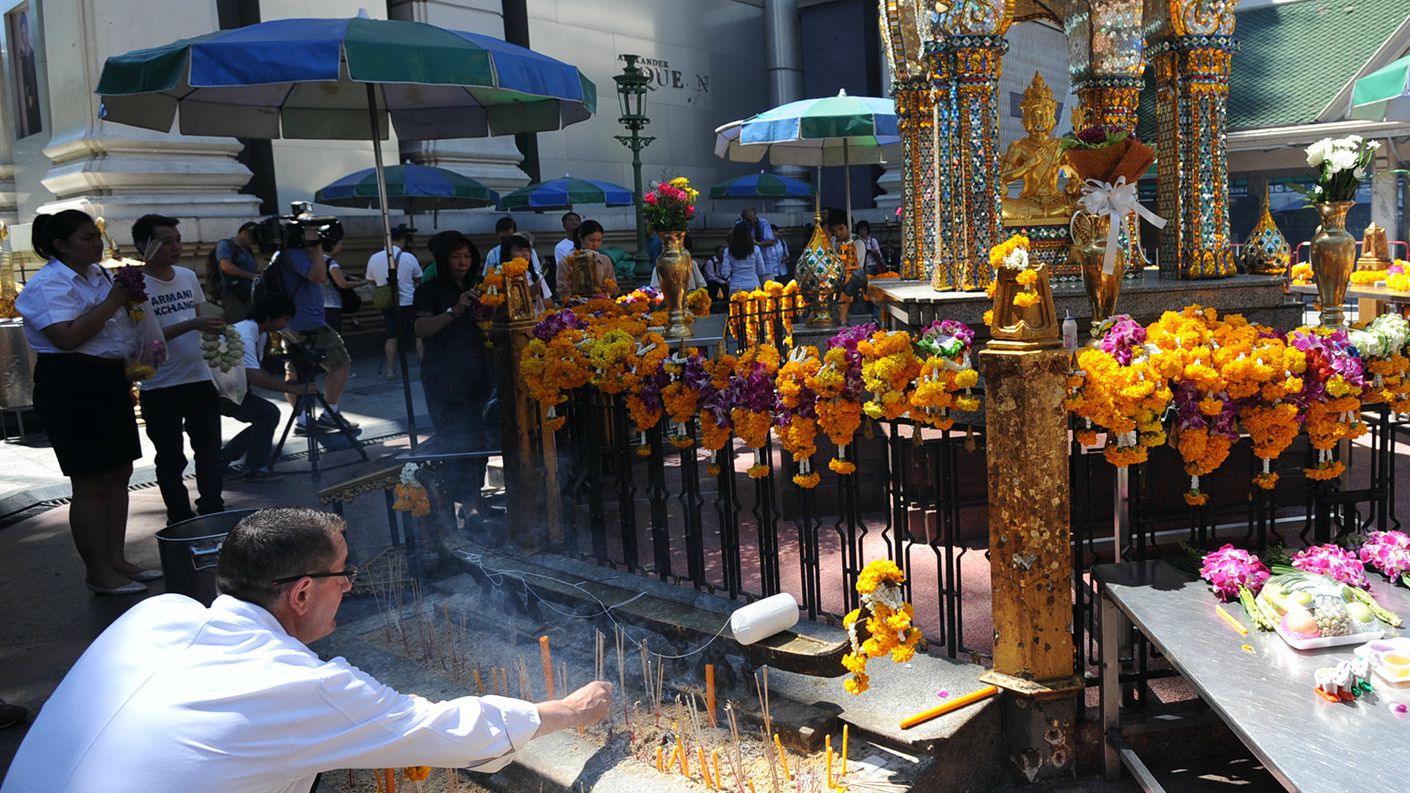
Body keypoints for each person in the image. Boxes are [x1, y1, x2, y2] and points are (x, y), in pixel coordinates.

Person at [0, 508, 613, 793]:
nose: (350, 588)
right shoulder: (296, 683)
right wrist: (565, 713)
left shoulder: (156, 613)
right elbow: (440, 730)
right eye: (344, 575)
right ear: (300, 592)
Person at [15, 210, 156, 595]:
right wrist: (113, 301)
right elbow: (67, 337)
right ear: (60, 245)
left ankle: (117, 559)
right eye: (85, 238)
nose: (96, 243)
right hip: (71, 383)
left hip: (108, 380)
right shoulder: (48, 285)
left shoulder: (101, 275)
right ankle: (98, 571)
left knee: (119, 473)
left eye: (95, 236)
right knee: (91, 480)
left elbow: (118, 327)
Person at [132, 214, 229, 525]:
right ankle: (179, 517)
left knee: (210, 451)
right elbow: (144, 338)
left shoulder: (187, 276)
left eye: (178, 240)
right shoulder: (133, 286)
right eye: (167, 241)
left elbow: (201, 318)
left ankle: (213, 507)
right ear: (143, 246)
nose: (176, 247)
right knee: (171, 457)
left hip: (199, 377)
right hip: (160, 384)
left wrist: (214, 328)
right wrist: (194, 323)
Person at [413, 234, 498, 530]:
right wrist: (454, 310)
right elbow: (422, 328)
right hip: (445, 380)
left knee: (479, 442)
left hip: (479, 376)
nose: (463, 263)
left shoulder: (480, 287)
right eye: (455, 257)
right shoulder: (429, 291)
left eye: (466, 256)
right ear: (443, 260)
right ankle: (462, 504)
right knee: (455, 443)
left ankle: (474, 498)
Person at [220, 295, 318, 482]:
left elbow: (255, 368)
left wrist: (286, 385)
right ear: (269, 316)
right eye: (284, 319)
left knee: (265, 416)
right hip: (219, 390)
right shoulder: (245, 333)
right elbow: (253, 374)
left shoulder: (260, 333)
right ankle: (254, 468)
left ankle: (223, 461)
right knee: (268, 414)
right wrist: (292, 389)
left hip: (231, 387)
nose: (285, 325)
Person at [276, 226, 356, 433]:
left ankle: (302, 419)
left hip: (288, 322)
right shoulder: (296, 255)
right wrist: (317, 248)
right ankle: (330, 414)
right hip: (308, 322)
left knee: (294, 369)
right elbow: (320, 276)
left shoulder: (281, 254)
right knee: (341, 363)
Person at [365, 224, 423, 379]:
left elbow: (370, 281)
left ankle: (390, 369)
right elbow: (418, 279)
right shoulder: (409, 257)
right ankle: (423, 364)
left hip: (388, 304)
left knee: (392, 336)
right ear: (402, 240)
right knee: (418, 334)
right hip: (409, 302)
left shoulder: (374, 258)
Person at [554, 219, 618, 298]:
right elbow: (563, 291)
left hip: (604, 304)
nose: (595, 244)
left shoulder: (605, 261)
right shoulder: (566, 263)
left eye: (599, 240)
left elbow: (614, 287)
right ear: (580, 238)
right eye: (592, 240)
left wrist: (611, 290)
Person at [213, 221, 261, 322]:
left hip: (250, 294)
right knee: (238, 323)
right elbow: (226, 266)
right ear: (244, 233)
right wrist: (251, 276)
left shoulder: (247, 250)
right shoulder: (226, 245)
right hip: (234, 292)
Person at [496, 233, 553, 312]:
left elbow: (549, 303)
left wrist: (537, 297)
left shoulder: (536, 276)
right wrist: (528, 294)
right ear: (508, 254)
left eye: (527, 250)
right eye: (519, 250)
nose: (525, 254)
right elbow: (501, 308)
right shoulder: (498, 277)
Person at [320, 238, 363, 332]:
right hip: (332, 305)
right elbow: (342, 284)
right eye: (341, 244)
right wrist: (363, 283)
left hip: (318, 305)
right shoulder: (331, 263)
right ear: (332, 246)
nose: (343, 247)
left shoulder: (316, 261)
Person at [723, 221, 767, 294]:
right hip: (754, 286)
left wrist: (730, 280)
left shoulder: (728, 251)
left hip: (735, 286)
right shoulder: (755, 249)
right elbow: (762, 271)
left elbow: (725, 272)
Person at [741, 206, 784, 280]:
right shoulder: (740, 224)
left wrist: (757, 243)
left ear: (756, 215)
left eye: (753, 219)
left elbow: (770, 241)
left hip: (766, 263)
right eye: (749, 220)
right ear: (744, 219)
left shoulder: (763, 222)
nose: (752, 222)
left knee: (769, 287)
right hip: (749, 265)